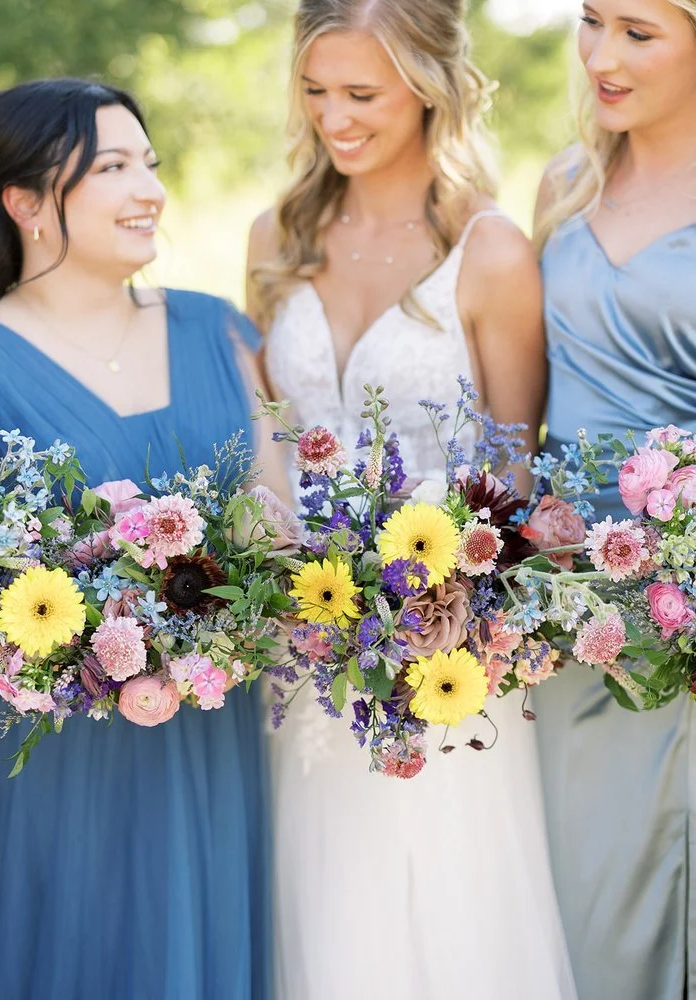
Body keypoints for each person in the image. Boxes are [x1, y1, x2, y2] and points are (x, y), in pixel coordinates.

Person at [245, 2, 577, 997]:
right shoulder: (276, 236)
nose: (332, 118)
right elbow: (269, 443)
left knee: (451, 920)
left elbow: (511, 484)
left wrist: (448, 603)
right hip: (304, 653)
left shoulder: (490, 250)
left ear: (429, 87)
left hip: (448, 660)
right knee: (319, 910)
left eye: (361, 94)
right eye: (315, 91)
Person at [0, 78, 284, 1000]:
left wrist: (225, 628)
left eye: (152, 164)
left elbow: (280, 525)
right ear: (25, 202)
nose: (150, 191)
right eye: (112, 167)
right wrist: (80, 648)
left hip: (210, 745)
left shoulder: (217, 328)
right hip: (52, 759)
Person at [532, 2, 696, 998]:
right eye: (591, 22)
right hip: (576, 618)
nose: (601, 55)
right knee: (588, 918)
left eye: (640, 31)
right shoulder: (566, 181)